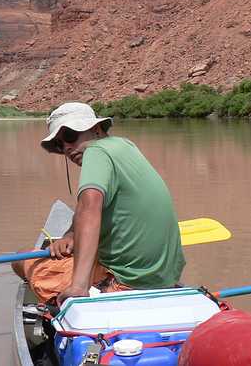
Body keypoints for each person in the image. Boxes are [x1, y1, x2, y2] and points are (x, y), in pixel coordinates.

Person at [12, 102, 185, 305]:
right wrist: (70, 234)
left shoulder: (95, 152)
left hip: (124, 282)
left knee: (21, 259)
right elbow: (88, 208)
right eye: (60, 144)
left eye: (69, 136)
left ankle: (66, 295)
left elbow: (90, 206)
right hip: (165, 278)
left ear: (96, 129)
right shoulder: (125, 145)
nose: (67, 147)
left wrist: (79, 286)